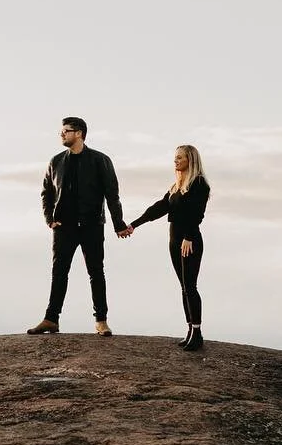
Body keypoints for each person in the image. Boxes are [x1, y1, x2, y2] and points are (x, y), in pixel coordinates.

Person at [27, 117, 128, 336]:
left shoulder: (100, 160)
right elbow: (47, 193)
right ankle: (51, 319)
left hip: (92, 225)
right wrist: (49, 219)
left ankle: (101, 321)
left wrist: (118, 224)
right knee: (59, 272)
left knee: (96, 272)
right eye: (61, 131)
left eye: (66, 131)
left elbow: (112, 194)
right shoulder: (55, 161)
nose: (62, 134)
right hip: (64, 227)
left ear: (79, 133)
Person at [118, 144, 210, 350]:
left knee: (191, 286)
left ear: (190, 160)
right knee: (184, 287)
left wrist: (189, 236)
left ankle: (197, 333)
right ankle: (190, 330)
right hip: (174, 239)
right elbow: (159, 207)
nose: (175, 161)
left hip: (190, 241)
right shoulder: (177, 185)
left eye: (180, 158)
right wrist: (134, 224)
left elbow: (197, 214)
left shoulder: (199, 184)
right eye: (175, 158)